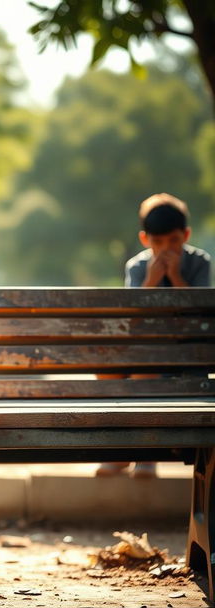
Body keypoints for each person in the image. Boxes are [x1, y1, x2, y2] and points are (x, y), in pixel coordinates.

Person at [96, 193, 211, 479]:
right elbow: (134, 320)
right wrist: (151, 282)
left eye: (173, 241)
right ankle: (118, 451)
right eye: (157, 243)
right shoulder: (138, 267)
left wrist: (177, 278)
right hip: (144, 349)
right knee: (107, 371)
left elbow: (200, 319)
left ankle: (144, 454)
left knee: (143, 371)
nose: (165, 249)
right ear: (145, 239)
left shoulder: (199, 263)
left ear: (185, 235)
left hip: (185, 355)